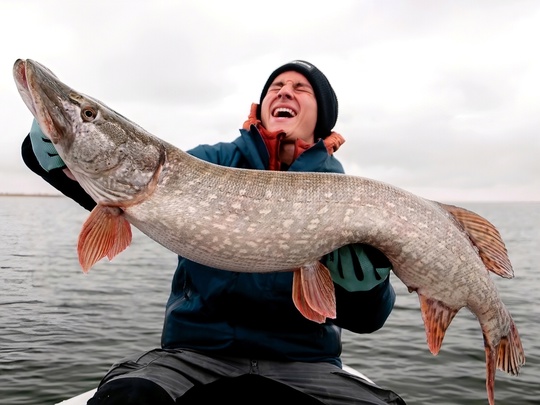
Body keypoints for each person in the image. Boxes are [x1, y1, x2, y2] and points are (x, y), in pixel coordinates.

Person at [21, 60, 405, 405]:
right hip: (193, 356)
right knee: (127, 398)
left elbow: (367, 319)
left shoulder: (345, 192)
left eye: (300, 88)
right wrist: (51, 157)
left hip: (307, 363)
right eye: (276, 87)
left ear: (322, 116)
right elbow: (126, 185)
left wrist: (367, 289)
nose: (285, 91)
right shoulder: (205, 162)